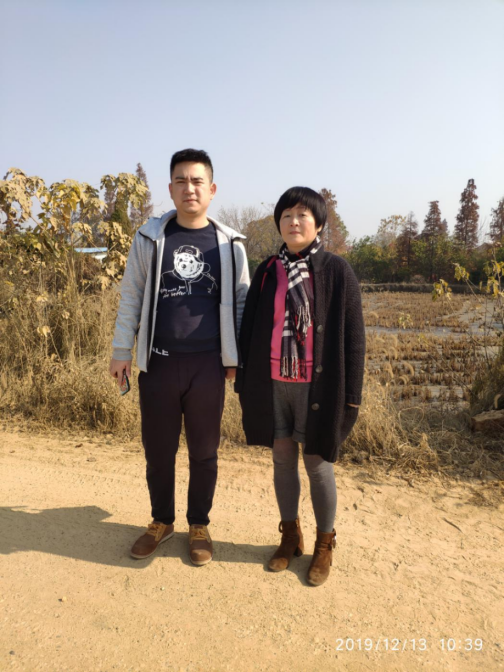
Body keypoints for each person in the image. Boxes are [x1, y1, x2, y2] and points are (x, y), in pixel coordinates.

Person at [110, 149, 250, 565]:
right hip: (159, 362)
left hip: (208, 365)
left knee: (204, 451)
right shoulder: (150, 238)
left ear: (212, 189)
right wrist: (121, 350)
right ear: (170, 188)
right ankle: (161, 521)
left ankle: (199, 525)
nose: (190, 188)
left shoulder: (230, 245)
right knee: (158, 450)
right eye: (181, 181)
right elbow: (131, 295)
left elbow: (241, 303)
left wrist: (236, 358)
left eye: (197, 181)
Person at [235, 186, 365, 586]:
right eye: (287, 215)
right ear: (279, 222)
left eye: (303, 215)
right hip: (273, 382)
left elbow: (355, 337)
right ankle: (290, 535)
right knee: (281, 459)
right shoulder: (266, 271)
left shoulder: (337, 270)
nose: (294, 222)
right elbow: (250, 328)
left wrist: (352, 396)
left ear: (319, 224)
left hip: (318, 387)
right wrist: (244, 379)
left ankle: (325, 542)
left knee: (318, 463)